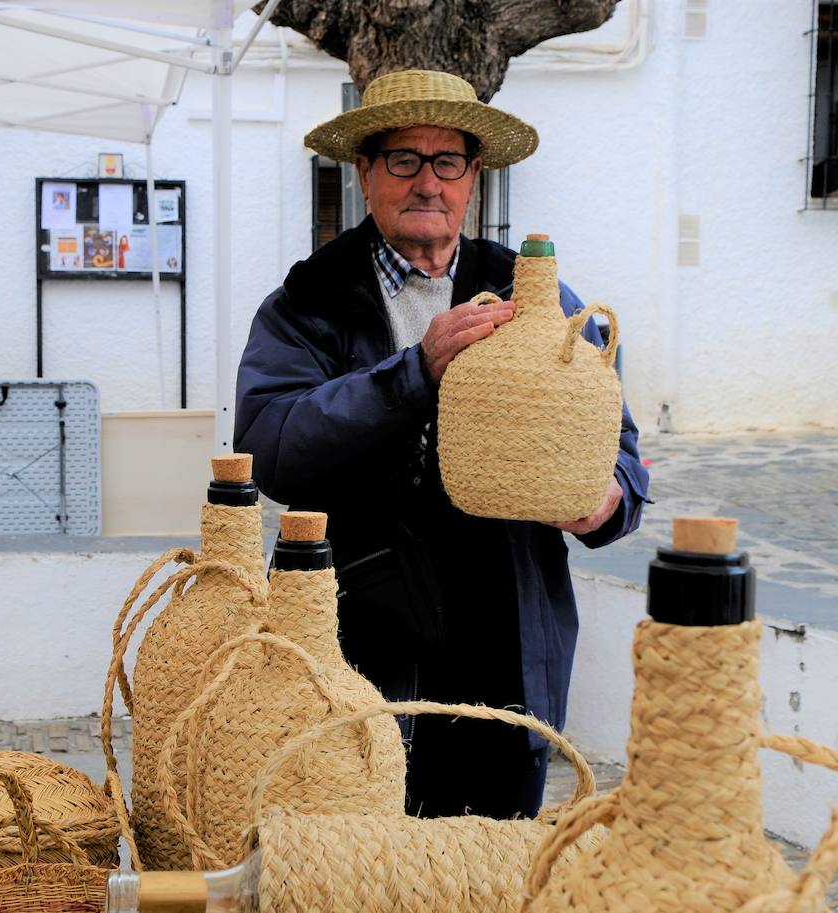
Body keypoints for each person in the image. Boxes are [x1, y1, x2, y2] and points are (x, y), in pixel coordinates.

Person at [234, 69, 650, 820]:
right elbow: (272, 446)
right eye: (403, 160)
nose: (427, 182)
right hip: (358, 651)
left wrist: (610, 502)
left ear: (473, 178)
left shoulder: (538, 296)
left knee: (487, 877)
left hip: (508, 655)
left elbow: (616, 448)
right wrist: (415, 372)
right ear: (364, 173)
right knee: (358, 877)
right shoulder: (308, 301)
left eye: (447, 161)